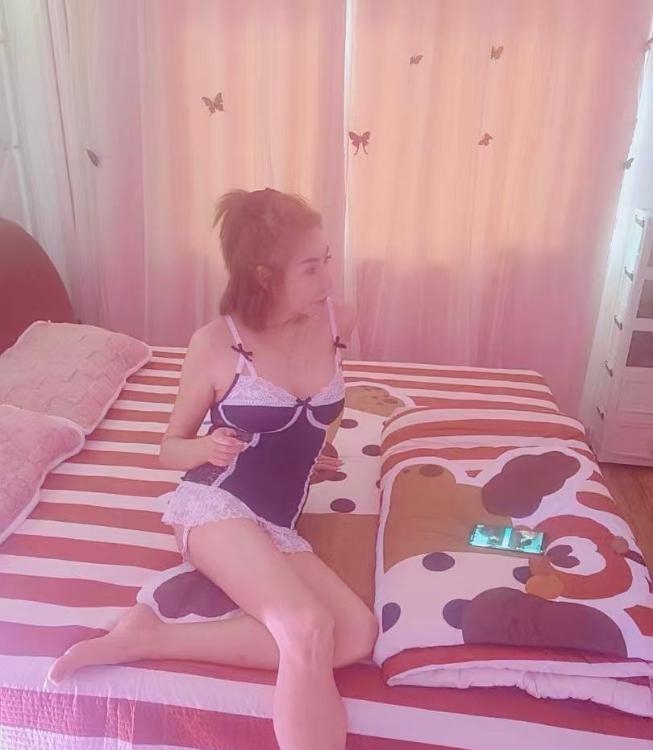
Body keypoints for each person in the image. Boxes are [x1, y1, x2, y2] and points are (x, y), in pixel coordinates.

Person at [48, 187, 378, 750]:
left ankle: (150, 636)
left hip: (278, 521)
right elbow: (168, 448)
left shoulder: (337, 319)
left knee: (356, 634)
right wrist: (206, 448)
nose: (328, 277)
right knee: (307, 626)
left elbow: (327, 405)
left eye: (326, 259)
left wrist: (314, 450)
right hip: (214, 507)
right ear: (264, 275)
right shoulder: (215, 345)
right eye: (310, 267)